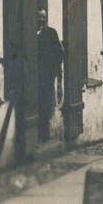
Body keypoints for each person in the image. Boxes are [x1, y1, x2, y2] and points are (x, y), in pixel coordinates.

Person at [37, 9, 64, 141]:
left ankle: (44, 134)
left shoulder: (50, 33)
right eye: (39, 17)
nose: (42, 19)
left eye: (44, 17)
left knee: (46, 104)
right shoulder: (30, 33)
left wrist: (57, 75)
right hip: (34, 76)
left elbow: (59, 54)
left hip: (47, 76)